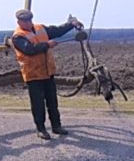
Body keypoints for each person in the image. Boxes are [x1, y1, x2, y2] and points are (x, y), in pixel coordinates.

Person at [12, 9, 82, 140]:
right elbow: (29, 49)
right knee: (38, 103)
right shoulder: (18, 36)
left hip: (48, 72)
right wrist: (47, 45)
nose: (28, 23)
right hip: (33, 74)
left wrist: (71, 25)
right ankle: (41, 129)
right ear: (19, 22)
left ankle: (56, 126)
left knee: (52, 101)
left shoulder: (40, 28)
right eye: (25, 21)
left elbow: (56, 31)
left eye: (29, 20)